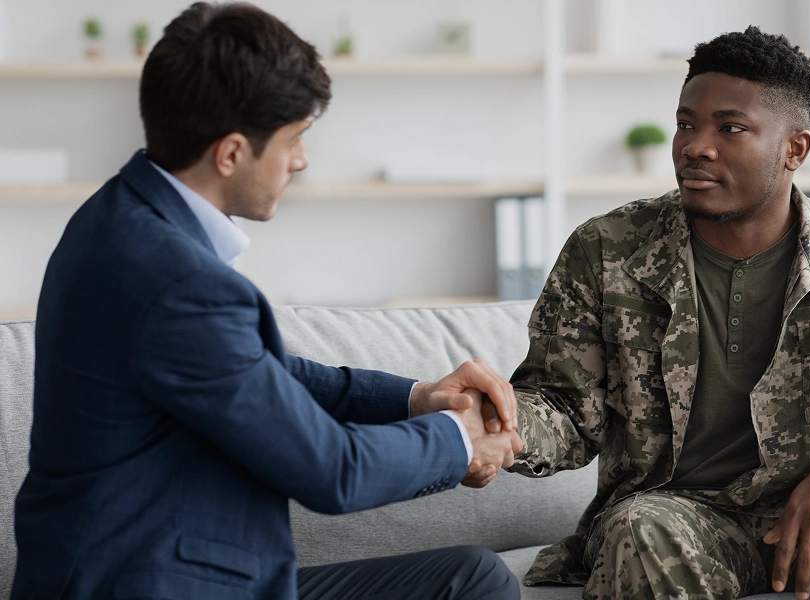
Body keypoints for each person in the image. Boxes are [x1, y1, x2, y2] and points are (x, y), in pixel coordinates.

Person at [11, 3, 522, 599]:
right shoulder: (174, 279)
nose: (302, 160)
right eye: (294, 139)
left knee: (470, 578)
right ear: (230, 153)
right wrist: (458, 439)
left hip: (158, 572)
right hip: (146, 585)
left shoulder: (117, 220)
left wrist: (416, 400)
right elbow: (333, 470)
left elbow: (263, 378)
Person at [509, 25, 810, 600]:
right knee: (639, 530)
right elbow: (564, 409)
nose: (694, 146)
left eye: (730, 128)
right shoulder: (607, 250)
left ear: (794, 150)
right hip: (680, 520)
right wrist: (496, 425)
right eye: (686, 123)